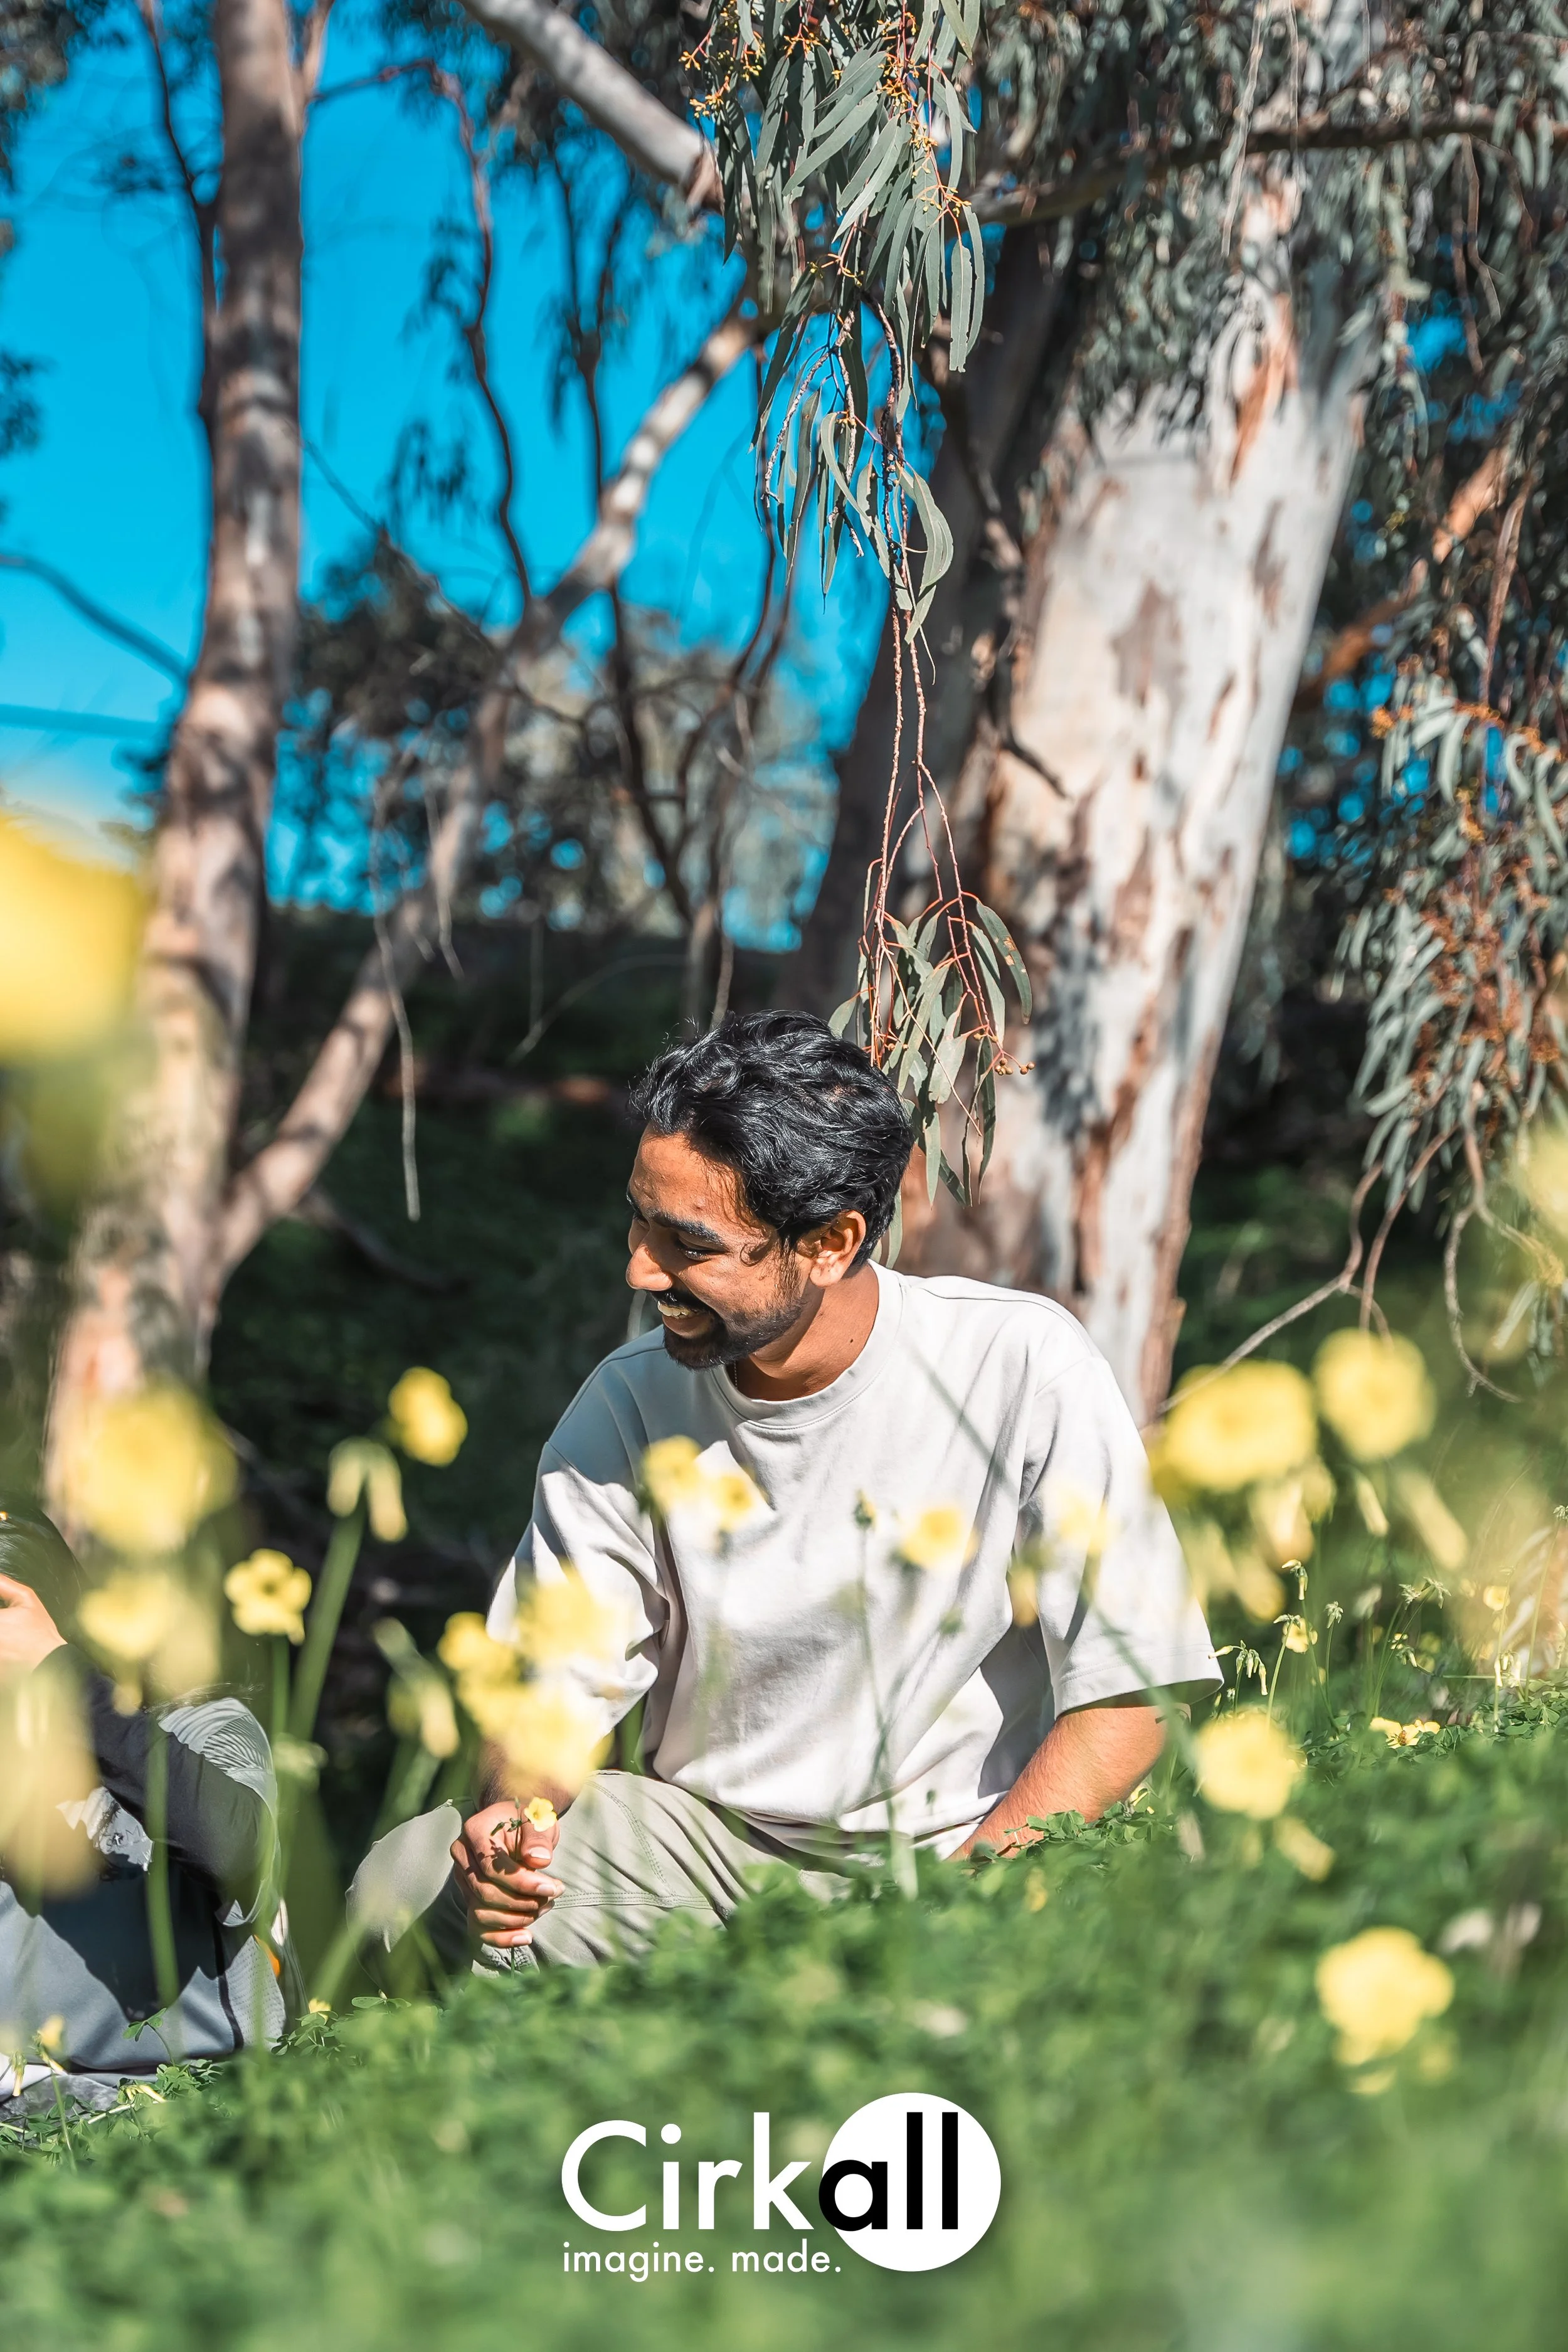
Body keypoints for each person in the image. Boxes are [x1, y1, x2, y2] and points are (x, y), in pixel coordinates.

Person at [433, 1010, 1219, 1968]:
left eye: (689, 1241)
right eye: (639, 1217)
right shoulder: (629, 1403)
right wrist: (512, 1821)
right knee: (410, 1888)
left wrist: (972, 1908)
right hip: (702, 1851)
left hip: (953, 1862)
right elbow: (550, 1693)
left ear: (832, 1242)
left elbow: (1133, 1691)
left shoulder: (1021, 1365)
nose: (640, 1266)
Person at [0, 1502, 284, 2115]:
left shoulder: (206, 1729)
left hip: (195, 2106)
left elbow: (233, 1848)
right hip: (29, 2115)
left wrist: (64, 1680)